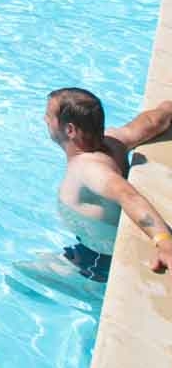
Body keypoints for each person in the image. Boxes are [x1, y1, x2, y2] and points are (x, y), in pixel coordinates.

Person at [44, 87, 172, 282]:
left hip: (99, 259)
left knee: (23, 276)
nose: (44, 120)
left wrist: (164, 242)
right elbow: (152, 121)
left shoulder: (90, 169)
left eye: (48, 116)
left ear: (69, 130)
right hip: (95, 243)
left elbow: (128, 196)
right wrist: (167, 109)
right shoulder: (114, 140)